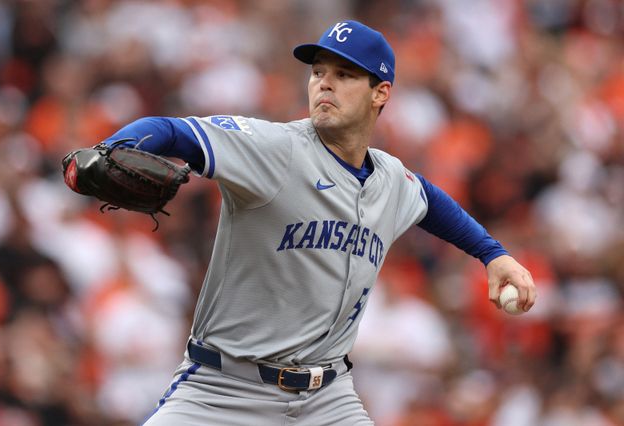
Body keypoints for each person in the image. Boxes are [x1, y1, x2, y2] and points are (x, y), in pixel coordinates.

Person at [96, 20, 537, 426]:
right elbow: (173, 131)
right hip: (223, 391)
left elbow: (431, 202)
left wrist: (492, 254)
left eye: (344, 75)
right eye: (318, 72)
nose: (324, 82)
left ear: (380, 93)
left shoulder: (390, 178)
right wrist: (112, 148)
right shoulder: (274, 149)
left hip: (327, 399)